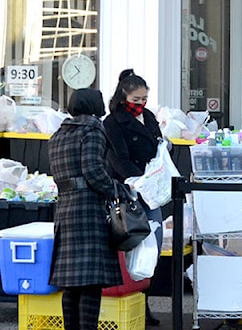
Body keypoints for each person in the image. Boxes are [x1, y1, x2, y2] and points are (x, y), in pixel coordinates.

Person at [48, 88, 124, 330]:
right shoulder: (92, 131)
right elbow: (93, 170)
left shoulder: (59, 134)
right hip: (88, 210)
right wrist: (116, 189)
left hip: (65, 209)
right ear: (95, 106)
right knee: (91, 282)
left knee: (71, 282)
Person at [103, 69, 163, 326]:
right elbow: (118, 157)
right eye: (136, 99)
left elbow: (158, 140)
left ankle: (144, 300)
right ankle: (130, 299)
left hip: (151, 189)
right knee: (130, 246)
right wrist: (135, 181)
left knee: (153, 247)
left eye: (144, 99)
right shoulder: (112, 122)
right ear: (124, 95)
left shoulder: (147, 116)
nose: (141, 104)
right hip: (128, 190)